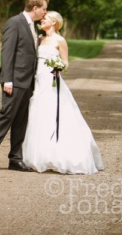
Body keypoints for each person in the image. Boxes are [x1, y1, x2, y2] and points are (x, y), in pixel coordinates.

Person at [22, 11, 104, 174]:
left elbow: (66, 63)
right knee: (39, 115)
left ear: (53, 22)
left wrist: (59, 67)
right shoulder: (39, 39)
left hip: (52, 82)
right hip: (39, 81)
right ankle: (40, 155)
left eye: (44, 19)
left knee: (55, 113)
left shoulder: (60, 40)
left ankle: (63, 155)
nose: (41, 21)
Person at [0, 0, 49, 172]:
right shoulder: (14, 23)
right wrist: (8, 80)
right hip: (14, 81)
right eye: (44, 9)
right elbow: (7, 53)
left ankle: (15, 159)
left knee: (21, 121)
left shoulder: (32, 26)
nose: (45, 13)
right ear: (35, 8)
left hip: (28, 83)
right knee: (6, 117)